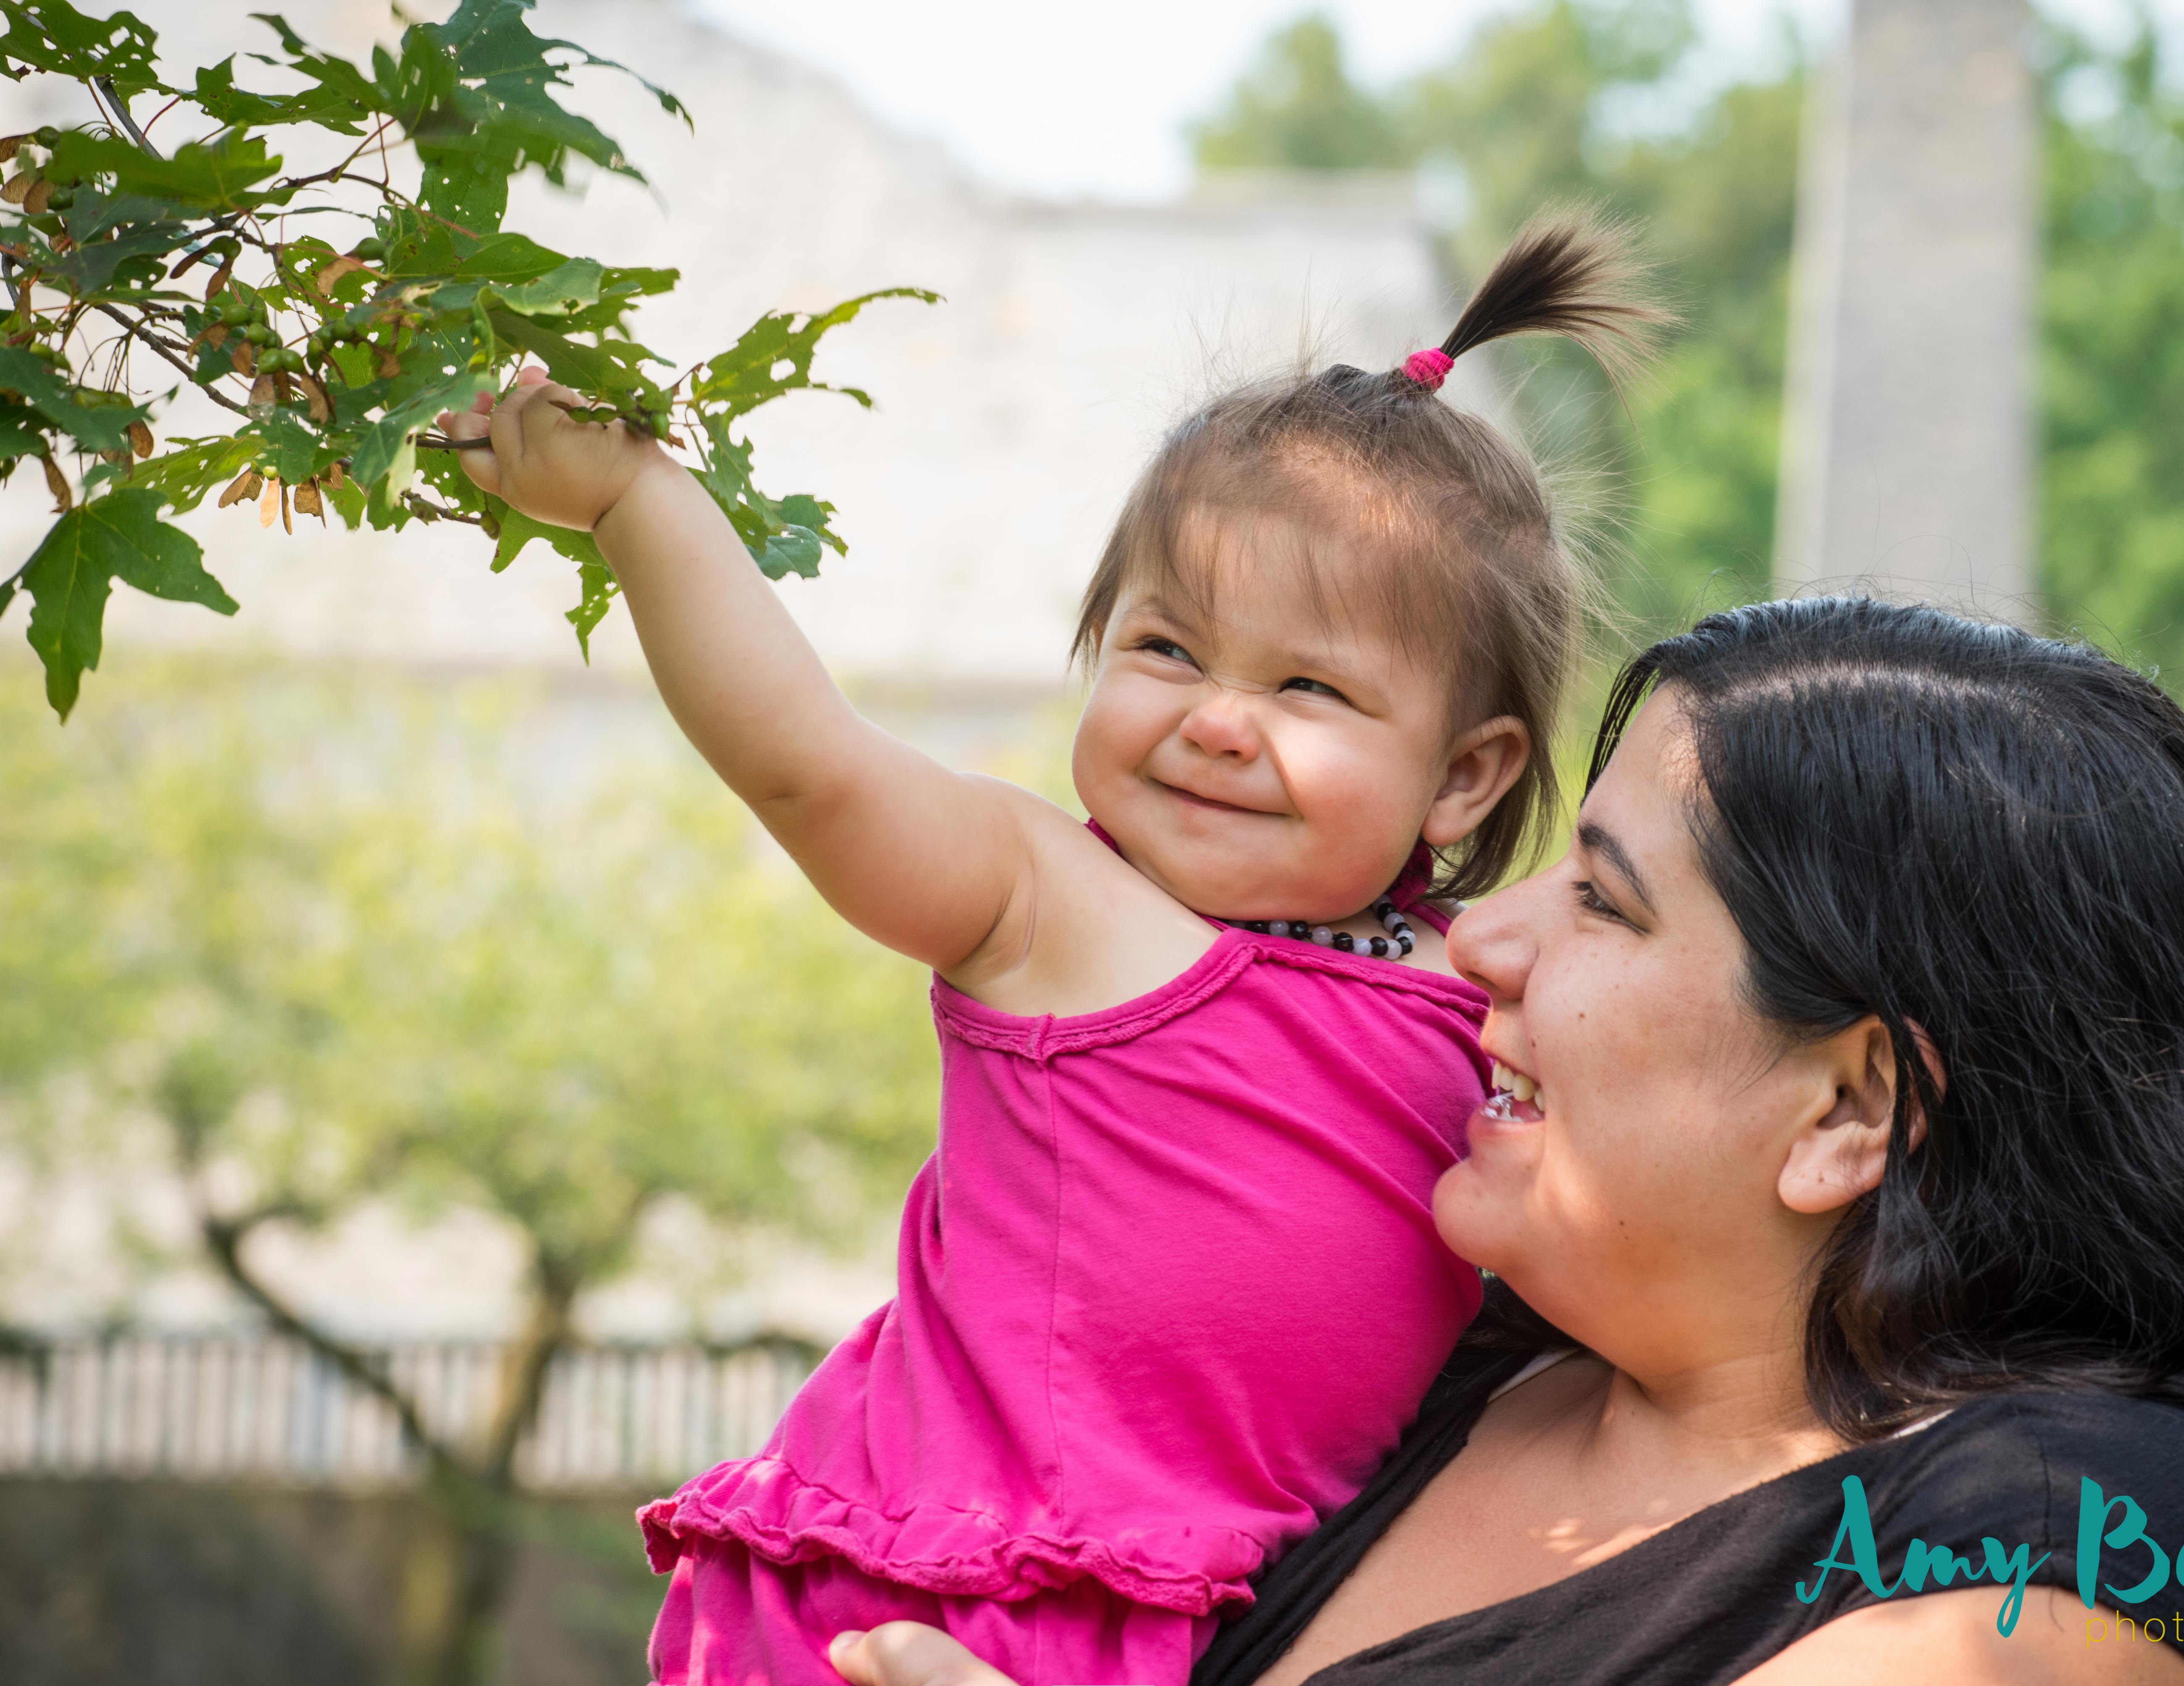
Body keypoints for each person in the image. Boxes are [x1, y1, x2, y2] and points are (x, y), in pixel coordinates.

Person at [826, 600, 2184, 1686]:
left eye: (1603, 899)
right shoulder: (1444, 1370)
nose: (1480, 942)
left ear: (1850, 1110)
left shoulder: (2098, 1543)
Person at [436, 216, 1667, 1686]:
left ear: (1464, 777)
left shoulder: (1481, 991)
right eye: (1167, 650)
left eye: (1308, 687)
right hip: (929, 1593)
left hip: (1213, 1624)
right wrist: (635, 502)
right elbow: (808, 766)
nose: (1217, 720)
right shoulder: (1046, 903)